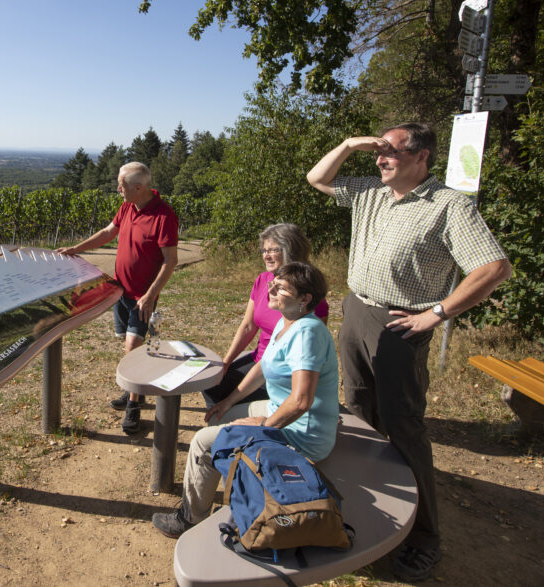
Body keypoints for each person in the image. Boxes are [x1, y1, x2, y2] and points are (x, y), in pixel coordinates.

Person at [306, 122, 511, 582]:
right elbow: (317, 179)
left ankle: (423, 538)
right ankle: (371, 509)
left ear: (421, 157)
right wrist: (347, 144)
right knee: (359, 413)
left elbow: (494, 266)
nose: (380, 159)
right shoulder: (371, 192)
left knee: (403, 428)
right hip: (357, 310)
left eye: (391, 153)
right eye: (378, 152)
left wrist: (437, 313)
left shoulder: (449, 206)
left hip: (403, 323)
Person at [152, 262, 339, 538]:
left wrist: (262, 424)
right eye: (273, 282)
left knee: (202, 443)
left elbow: (301, 401)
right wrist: (228, 401)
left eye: (281, 287)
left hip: (303, 433)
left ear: (305, 298)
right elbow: (263, 367)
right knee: (217, 419)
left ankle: (190, 519)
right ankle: (233, 484)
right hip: (280, 411)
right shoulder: (286, 322)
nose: (271, 288)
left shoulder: (307, 333)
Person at [56, 162, 179, 434]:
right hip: (120, 291)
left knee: (133, 347)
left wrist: (150, 295)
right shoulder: (128, 207)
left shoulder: (163, 215)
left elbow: (170, 261)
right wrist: (77, 249)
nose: (117, 189)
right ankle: (135, 390)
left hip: (142, 297)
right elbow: (108, 232)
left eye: (121, 186)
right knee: (126, 343)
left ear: (138, 188)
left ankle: (133, 407)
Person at [203, 223, 329, 409]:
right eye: (264, 250)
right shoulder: (263, 280)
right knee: (211, 383)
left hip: (282, 373)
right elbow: (247, 326)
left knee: (232, 398)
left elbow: (307, 354)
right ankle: (223, 428)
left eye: (272, 250)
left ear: (290, 249)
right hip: (260, 360)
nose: (265, 255)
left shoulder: (306, 296)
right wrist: (226, 363)